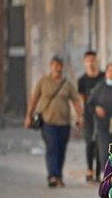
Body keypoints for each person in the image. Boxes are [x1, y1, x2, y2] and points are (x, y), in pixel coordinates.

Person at [24, 55, 84, 188]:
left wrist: (80, 117)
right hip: (47, 123)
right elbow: (34, 99)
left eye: (59, 65)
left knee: (61, 150)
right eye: (54, 65)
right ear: (50, 66)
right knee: (52, 147)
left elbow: (76, 101)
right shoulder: (43, 81)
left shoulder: (67, 84)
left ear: (62, 67)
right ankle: (53, 176)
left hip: (64, 123)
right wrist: (28, 116)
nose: (57, 68)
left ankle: (58, 176)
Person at [88, 62, 112, 172]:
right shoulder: (100, 86)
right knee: (104, 151)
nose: (111, 73)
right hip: (103, 126)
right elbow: (90, 102)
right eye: (109, 71)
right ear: (106, 73)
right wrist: (96, 108)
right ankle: (106, 175)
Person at [77, 51, 105, 183]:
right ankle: (89, 170)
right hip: (89, 115)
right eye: (88, 60)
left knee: (100, 143)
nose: (91, 63)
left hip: (102, 115)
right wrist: (80, 117)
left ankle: (99, 172)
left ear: (97, 61)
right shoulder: (82, 81)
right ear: (84, 62)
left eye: (93, 60)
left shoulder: (103, 77)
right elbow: (82, 99)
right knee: (90, 142)